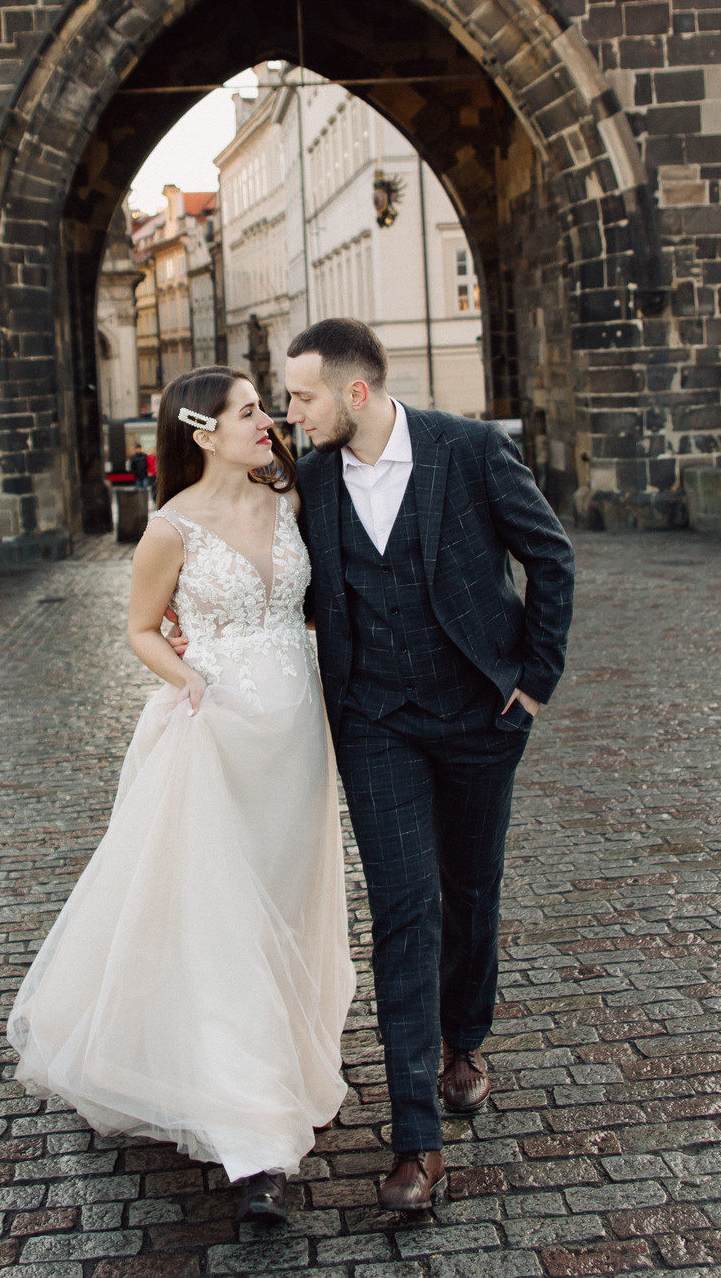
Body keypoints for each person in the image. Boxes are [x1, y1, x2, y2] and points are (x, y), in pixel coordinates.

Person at [9, 367, 347, 1231]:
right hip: (215, 731)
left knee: (282, 900)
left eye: (264, 408)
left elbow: (308, 609)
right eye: (248, 411)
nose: (266, 420)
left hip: (297, 733)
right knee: (220, 918)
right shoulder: (170, 526)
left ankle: (275, 1058)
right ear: (202, 433)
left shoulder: (294, 497)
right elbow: (139, 627)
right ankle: (255, 1147)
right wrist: (192, 677)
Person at [282, 317, 574, 1212]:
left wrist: (534, 683)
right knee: (406, 910)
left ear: (355, 392)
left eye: (303, 395)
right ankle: (416, 1139)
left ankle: (465, 1040)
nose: (293, 413)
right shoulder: (314, 478)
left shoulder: (471, 450)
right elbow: (282, 579)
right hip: (376, 721)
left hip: (480, 713)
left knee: (471, 886)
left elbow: (550, 556)